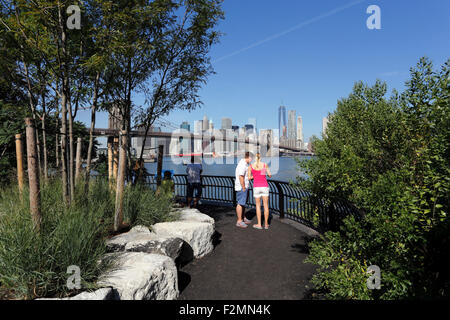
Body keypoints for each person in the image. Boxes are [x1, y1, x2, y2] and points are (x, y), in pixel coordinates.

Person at [248, 152, 271, 229]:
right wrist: (265, 172)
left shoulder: (251, 166)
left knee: (258, 206)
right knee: (266, 206)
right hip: (264, 186)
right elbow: (269, 175)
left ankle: (259, 224)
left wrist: (254, 176)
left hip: (256, 187)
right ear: (260, 158)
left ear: (255, 158)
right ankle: (266, 224)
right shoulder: (264, 165)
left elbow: (249, 177)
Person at [235, 151, 253, 228]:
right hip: (241, 187)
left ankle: (243, 218)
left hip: (244, 186)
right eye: (252, 158)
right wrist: (243, 187)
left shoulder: (245, 164)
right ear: (248, 157)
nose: (252, 160)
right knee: (240, 203)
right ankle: (239, 221)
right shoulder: (242, 164)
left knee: (243, 203)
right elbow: (241, 176)